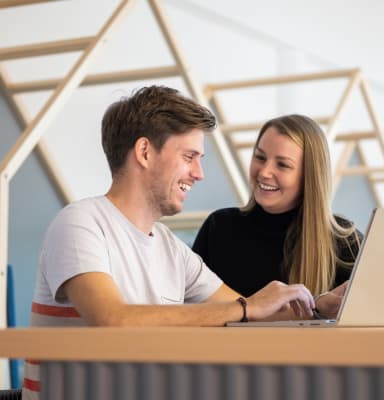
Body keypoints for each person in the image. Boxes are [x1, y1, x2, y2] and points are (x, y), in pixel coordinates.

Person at [23, 87, 315, 400]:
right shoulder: (80, 222)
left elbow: (249, 317)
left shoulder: (169, 247)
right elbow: (112, 320)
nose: (199, 173)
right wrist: (245, 308)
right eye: (189, 157)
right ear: (145, 152)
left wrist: (319, 305)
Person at [193, 114, 362, 320]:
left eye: (282, 165)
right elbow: (192, 310)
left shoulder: (345, 241)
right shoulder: (219, 228)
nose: (264, 172)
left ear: (309, 176)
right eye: (260, 157)